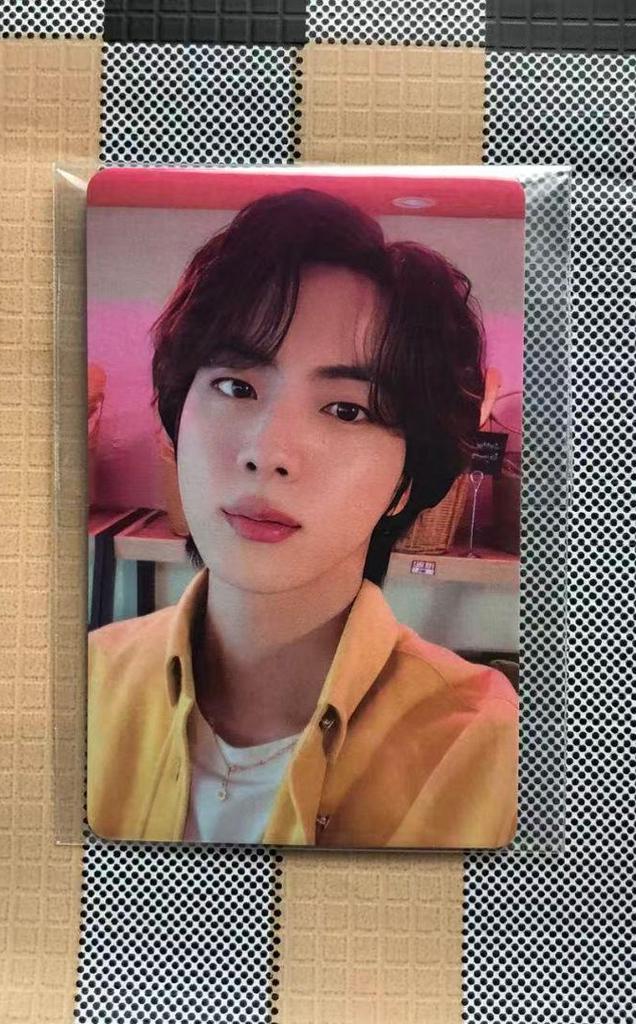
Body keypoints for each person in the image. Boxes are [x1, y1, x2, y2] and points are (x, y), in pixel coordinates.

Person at [86, 187, 519, 848]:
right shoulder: (82, 690)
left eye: (347, 410)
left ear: (406, 482)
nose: (268, 453)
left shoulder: (489, 757)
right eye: (237, 386)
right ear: (177, 416)